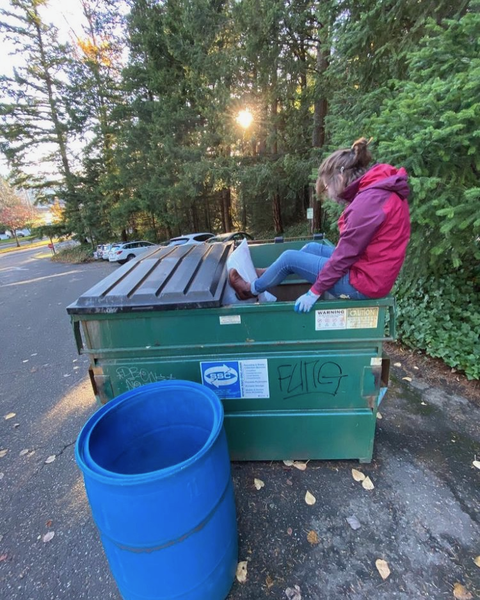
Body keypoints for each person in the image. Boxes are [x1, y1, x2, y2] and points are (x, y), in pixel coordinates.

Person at [229, 137, 411, 312]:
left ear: (339, 178)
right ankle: (267, 274)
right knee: (311, 248)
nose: (329, 195)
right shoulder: (375, 192)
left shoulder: (368, 202)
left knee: (289, 258)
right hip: (369, 270)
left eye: (326, 187)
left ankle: (249, 289)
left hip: (363, 283)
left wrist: (314, 292)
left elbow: (345, 256)